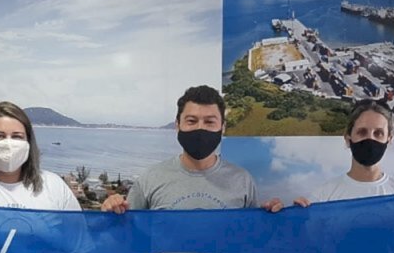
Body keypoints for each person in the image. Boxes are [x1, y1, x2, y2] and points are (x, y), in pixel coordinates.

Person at [100, 85, 282, 212]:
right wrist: (112, 208)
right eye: (191, 121)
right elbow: (127, 233)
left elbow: (253, 237)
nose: (200, 129)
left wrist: (285, 216)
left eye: (210, 122)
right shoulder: (150, 180)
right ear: (178, 125)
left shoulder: (242, 181)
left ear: (223, 127)